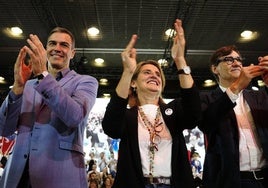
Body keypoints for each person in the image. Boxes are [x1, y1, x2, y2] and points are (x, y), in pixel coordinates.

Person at [102, 19, 201, 188]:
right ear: (134, 83)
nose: (154, 75)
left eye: (157, 74)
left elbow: (194, 113)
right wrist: (127, 72)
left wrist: (180, 60)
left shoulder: (174, 110)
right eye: (147, 72)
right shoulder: (127, 116)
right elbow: (110, 126)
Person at [0, 27, 98, 188]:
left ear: (73, 53)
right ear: (45, 49)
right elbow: (5, 129)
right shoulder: (28, 85)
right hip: (16, 177)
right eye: (52, 43)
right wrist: (17, 87)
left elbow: (74, 116)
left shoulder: (86, 82)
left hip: (60, 176)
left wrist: (43, 76)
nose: (57, 48)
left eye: (64, 45)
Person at [200, 45, 268, 188]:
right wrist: (236, 87)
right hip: (230, 181)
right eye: (229, 60)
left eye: (238, 60)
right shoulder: (207, 98)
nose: (237, 63)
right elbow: (207, 123)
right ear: (215, 69)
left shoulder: (260, 96)